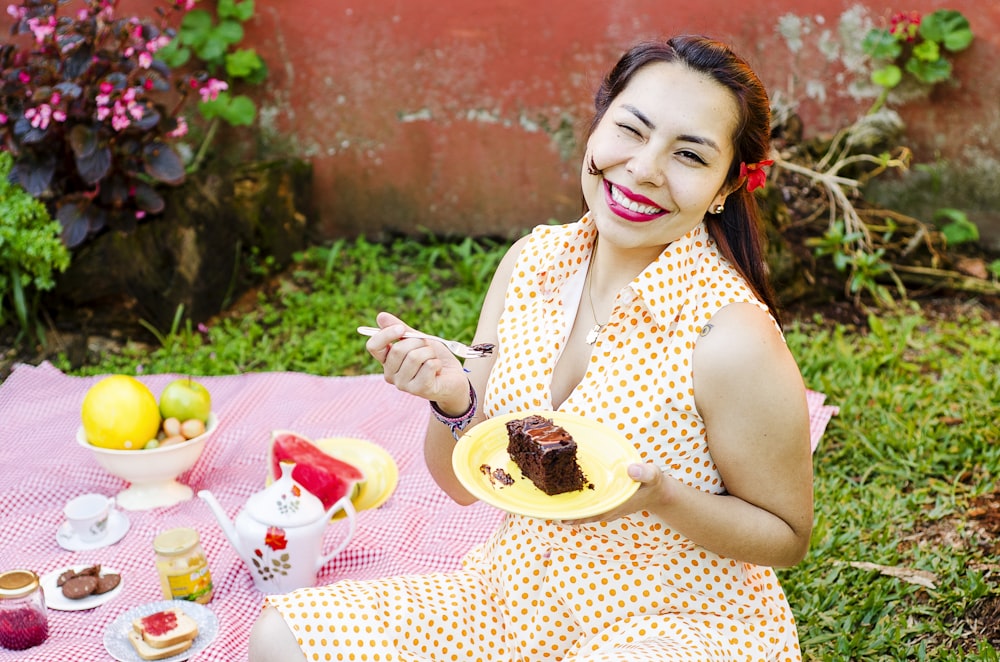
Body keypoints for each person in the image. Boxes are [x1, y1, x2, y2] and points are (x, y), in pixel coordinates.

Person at [249, 34, 813, 661]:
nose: (645, 167)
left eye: (688, 154)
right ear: (597, 130)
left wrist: (662, 497)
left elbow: (787, 536)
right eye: (631, 130)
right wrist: (452, 399)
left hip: (676, 618)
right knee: (284, 640)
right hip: (511, 597)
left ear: (725, 187)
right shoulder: (529, 265)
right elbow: (465, 486)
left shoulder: (731, 336)